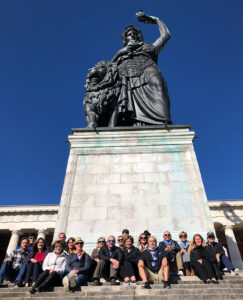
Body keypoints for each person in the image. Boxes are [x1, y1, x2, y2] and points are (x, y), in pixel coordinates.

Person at [111, 12, 172, 126]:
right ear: (125, 38)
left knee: (158, 84)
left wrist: (155, 19)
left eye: (135, 33)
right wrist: (120, 53)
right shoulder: (122, 53)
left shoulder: (149, 47)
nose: (133, 35)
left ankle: (164, 122)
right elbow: (109, 70)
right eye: (129, 34)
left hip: (148, 70)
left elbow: (166, 36)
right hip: (126, 78)